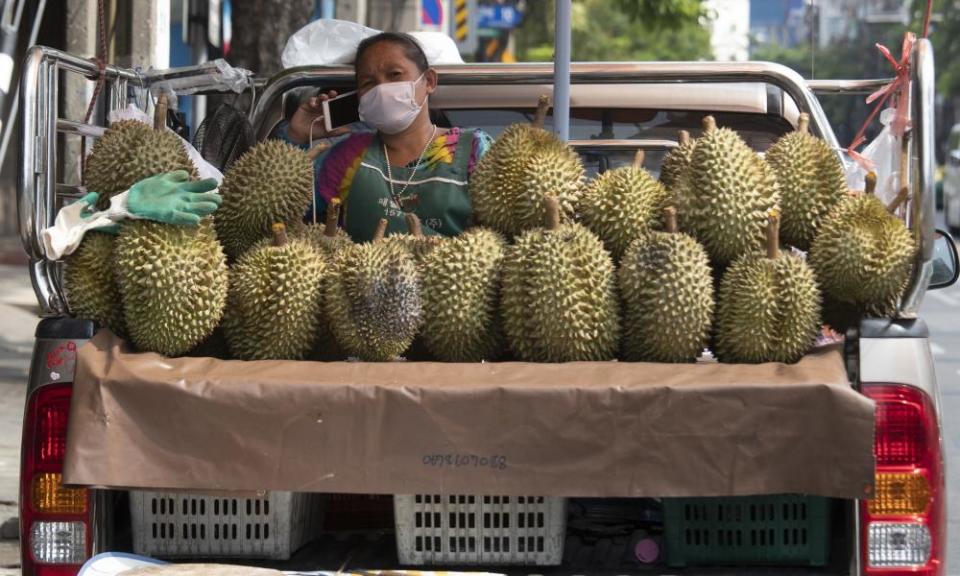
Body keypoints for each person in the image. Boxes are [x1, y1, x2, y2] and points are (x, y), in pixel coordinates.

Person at [281, 32, 494, 243]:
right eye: (368, 82)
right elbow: (279, 210)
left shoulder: (474, 150)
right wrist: (296, 135)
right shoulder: (346, 156)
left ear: (429, 81)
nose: (382, 88)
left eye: (394, 75)